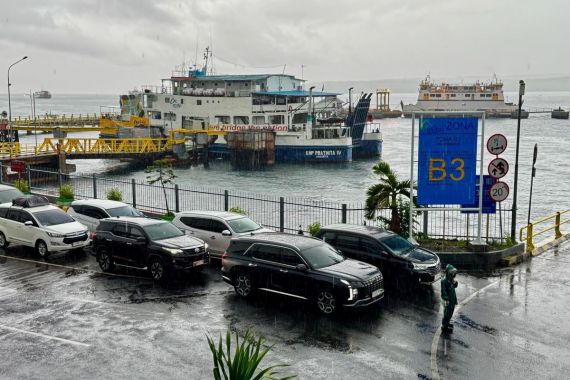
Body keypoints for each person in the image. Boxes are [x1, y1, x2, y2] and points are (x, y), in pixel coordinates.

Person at [441, 264, 458, 333]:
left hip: (452, 298)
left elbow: (454, 286)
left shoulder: (451, 280)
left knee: (451, 312)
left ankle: (447, 323)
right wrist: (446, 299)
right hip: (447, 300)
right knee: (446, 313)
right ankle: (444, 326)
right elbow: (444, 292)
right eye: (452, 273)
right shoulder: (444, 281)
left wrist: (455, 283)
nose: (453, 274)